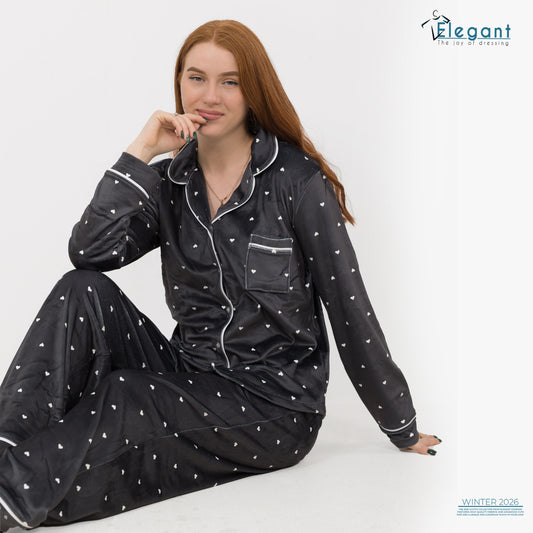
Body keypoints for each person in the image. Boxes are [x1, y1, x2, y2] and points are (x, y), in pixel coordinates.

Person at [0, 19, 441, 532]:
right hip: (188, 374)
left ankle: (9, 496)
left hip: (274, 405)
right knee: (81, 290)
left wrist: (401, 425)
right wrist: (141, 152)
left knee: (129, 394)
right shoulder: (170, 181)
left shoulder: (297, 182)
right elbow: (89, 252)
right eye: (196, 78)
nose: (209, 96)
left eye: (229, 82)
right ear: (179, 83)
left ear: (253, 92)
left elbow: (349, 308)